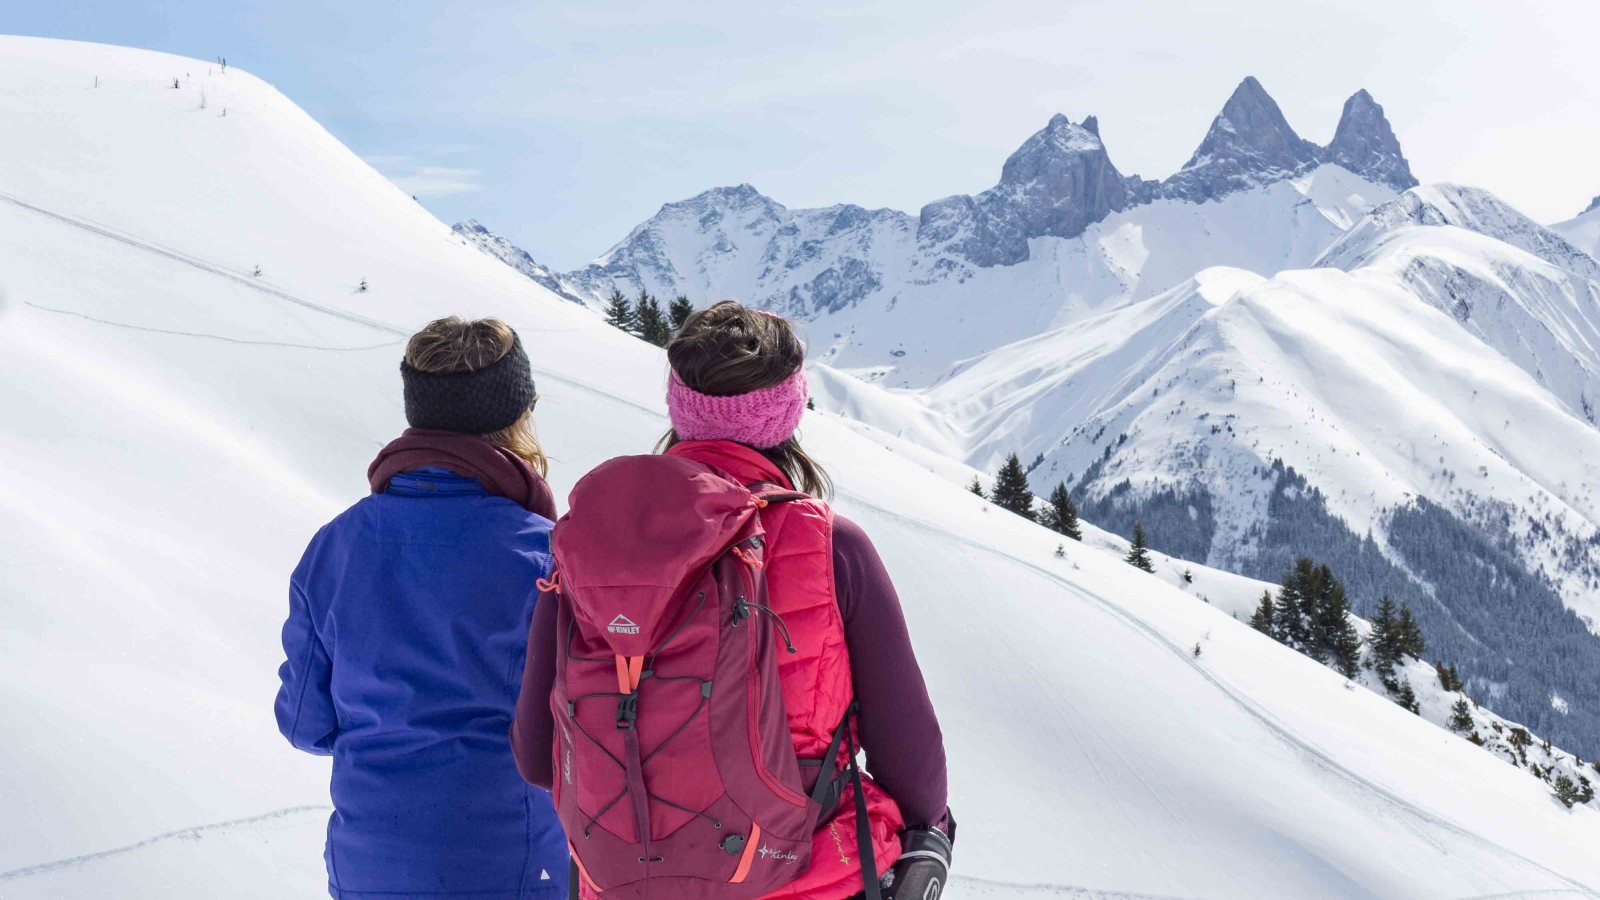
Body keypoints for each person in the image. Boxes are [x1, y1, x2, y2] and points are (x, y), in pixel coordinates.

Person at [510, 301, 950, 900]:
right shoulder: (829, 546)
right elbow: (911, 759)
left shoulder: (593, 544)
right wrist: (931, 830)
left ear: (679, 408)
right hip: (805, 877)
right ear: (789, 411)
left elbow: (539, 757)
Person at [275, 316, 569, 900]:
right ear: (518, 417)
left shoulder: (336, 545)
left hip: (368, 864)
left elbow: (305, 723)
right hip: (511, 860)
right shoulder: (548, 555)